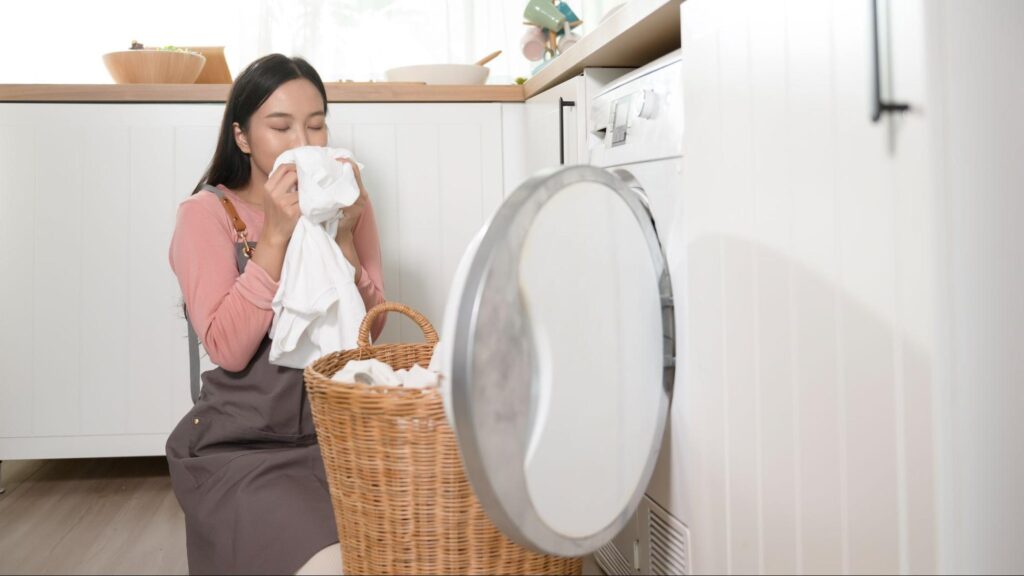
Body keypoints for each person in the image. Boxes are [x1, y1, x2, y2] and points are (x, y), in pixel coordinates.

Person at [165, 53, 386, 575]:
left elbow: (369, 332)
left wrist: (346, 237)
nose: (305, 144)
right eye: (280, 126)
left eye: (316, 125)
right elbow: (227, 347)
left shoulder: (348, 203)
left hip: (340, 431)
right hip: (244, 444)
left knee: (402, 547)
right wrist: (276, 235)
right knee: (331, 565)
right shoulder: (205, 215)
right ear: (242, 136)